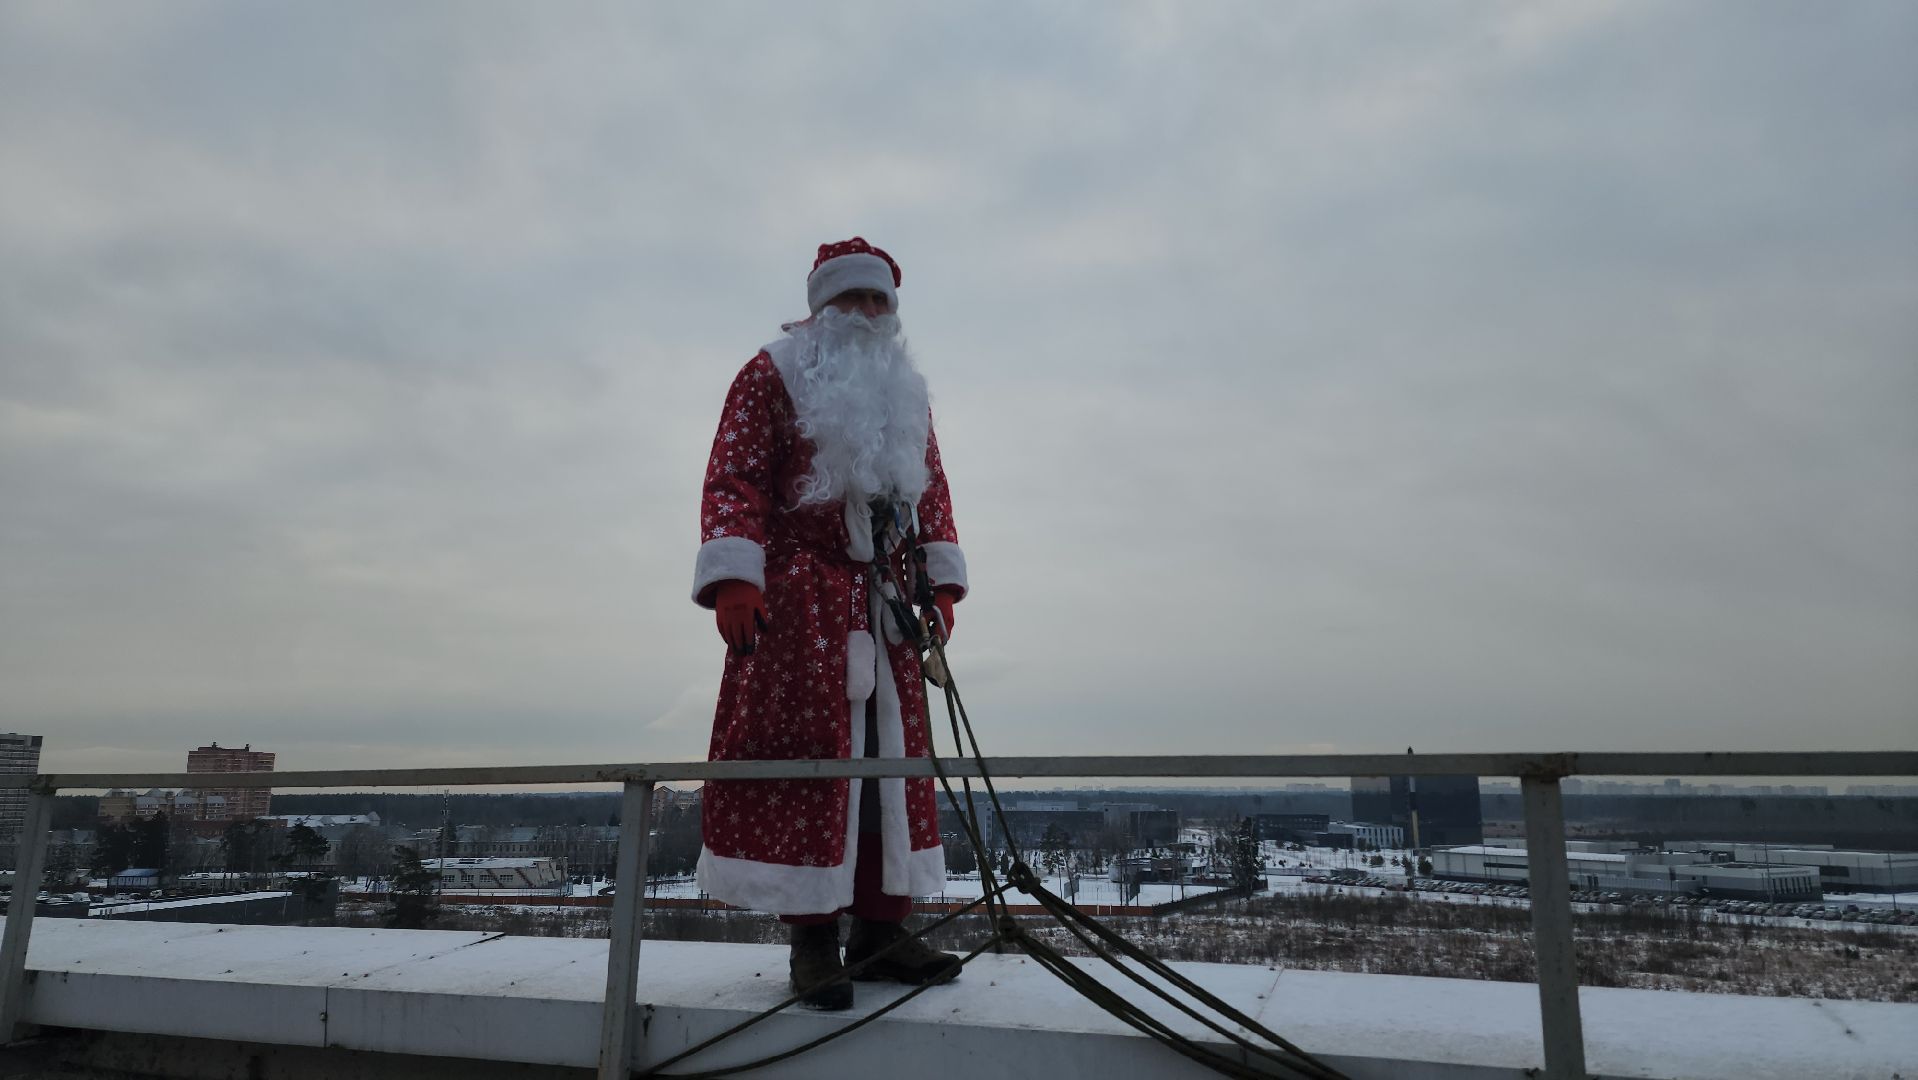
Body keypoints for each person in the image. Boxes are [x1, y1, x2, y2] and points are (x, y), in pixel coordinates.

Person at [691, 238, 969, 1010]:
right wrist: (734, 580)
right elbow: (733, 476)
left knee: (889, 768)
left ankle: (881, 931)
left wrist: (938, 584)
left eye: (880, 301)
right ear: (822, 307)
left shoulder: (907, 393)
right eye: (853, 299)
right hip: (798, 604)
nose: (869, 314)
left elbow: (931, 490)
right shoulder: (769, 375)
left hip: (883, 611)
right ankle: (813, 941)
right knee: (811, 764)